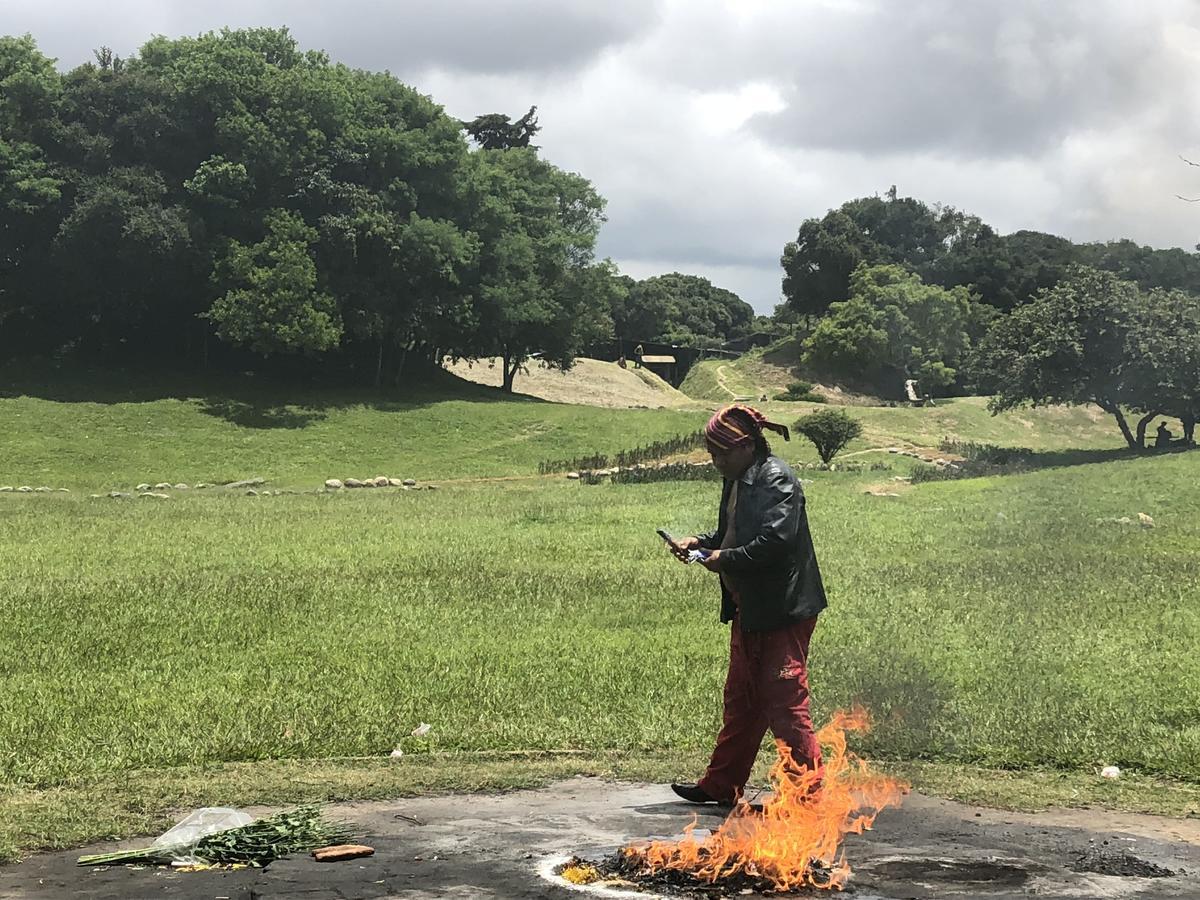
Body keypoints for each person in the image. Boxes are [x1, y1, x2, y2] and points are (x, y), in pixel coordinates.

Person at [666, 404, 827, 807]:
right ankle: (721, 785)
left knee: (785, 704)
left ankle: (806, 798)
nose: (715, 461)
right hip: (751, 608)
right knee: (742, 699)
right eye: (712, 454)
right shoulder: (737, 478)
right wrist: (700, 543)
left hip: (782, 611)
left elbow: (774, 544)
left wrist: (722, 559)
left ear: (747, 446)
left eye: (722, 454)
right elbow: (731, 533)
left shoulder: (776, 480)